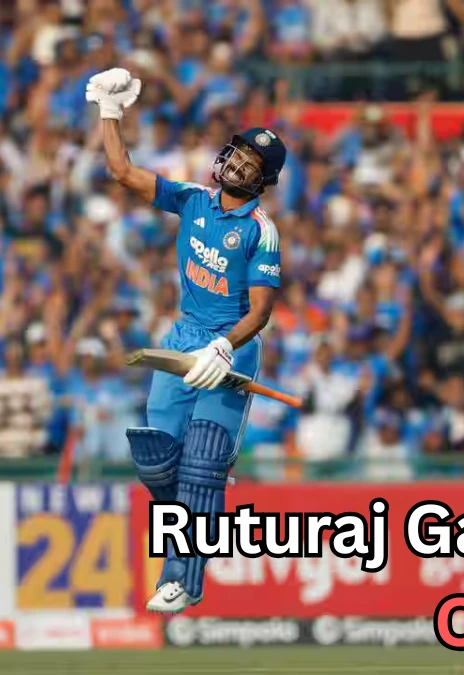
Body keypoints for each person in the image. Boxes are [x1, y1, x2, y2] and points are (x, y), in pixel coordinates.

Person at [86, 67, 286, 614]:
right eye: (238, 153)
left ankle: (184, 579)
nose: (238, 164)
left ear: (263, 180)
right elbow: (122, 171)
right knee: (157, 460)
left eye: (252, 163)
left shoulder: (260, 230)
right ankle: (206, 502)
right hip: (182, 338)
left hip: (231, 348)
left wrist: (224, 348)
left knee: (200, 464)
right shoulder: (194, 199)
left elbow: (261, 311)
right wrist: (109, 110)